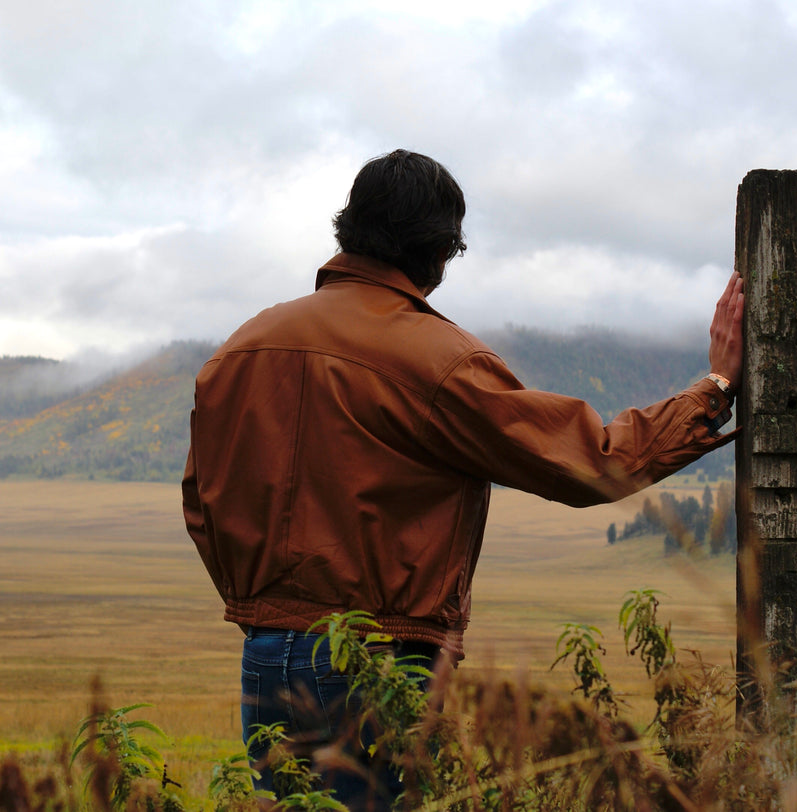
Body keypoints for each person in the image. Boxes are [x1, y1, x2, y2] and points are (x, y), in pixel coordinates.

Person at [182, 149, 743, 809]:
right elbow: (592, 461)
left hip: (266, 651)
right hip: (376, 661)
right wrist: (715, 386)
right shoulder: (436, 360)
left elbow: (202, 500)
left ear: (348, 229)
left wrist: (265, 605)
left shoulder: (241, 348)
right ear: (440, 252)